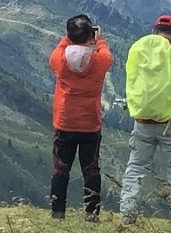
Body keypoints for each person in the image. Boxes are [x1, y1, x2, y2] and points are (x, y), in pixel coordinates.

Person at [120, 15, 171, 228]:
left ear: (154, 31)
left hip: (142, 119)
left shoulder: (139, 51)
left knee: (136, 166)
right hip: (170, 121)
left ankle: (128, 215)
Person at [48, 14, 113, 221]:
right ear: (89, 36)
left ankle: (57, 212)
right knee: (91, 169)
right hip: (90, 124)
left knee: (60, 168)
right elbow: (105, 52)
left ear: (69, 34)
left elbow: (61, 46)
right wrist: (99, 40)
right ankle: (91, 214)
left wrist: (69, 37)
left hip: (65, 121)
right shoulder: (100, 60)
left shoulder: (58, 59)